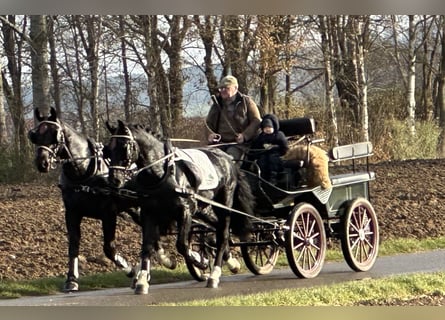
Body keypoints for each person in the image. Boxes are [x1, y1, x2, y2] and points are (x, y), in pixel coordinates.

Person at [205, 75, 262, 161]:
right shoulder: (217, 104)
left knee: (228, 160)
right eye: (221, 89)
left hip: (239, 145)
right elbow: (208, 123)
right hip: (219, 144)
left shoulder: (246, 102)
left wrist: (244, 135)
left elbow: (256, 121)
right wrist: (210, 135)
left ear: (235, 88)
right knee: (205, 159)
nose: (222, 91)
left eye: (226, 88)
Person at [249, 114, 289, 184]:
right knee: (262, 161)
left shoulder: (279, 135)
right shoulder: (261, 137)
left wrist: (278, 150)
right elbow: (255, 148)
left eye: (269, 127)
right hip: (263, 154)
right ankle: (262, 180)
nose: (267, 129)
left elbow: (285, 147)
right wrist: (253, 156)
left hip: (276, 155)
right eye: (265, 127)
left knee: (272, 160)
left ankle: (273, 179)